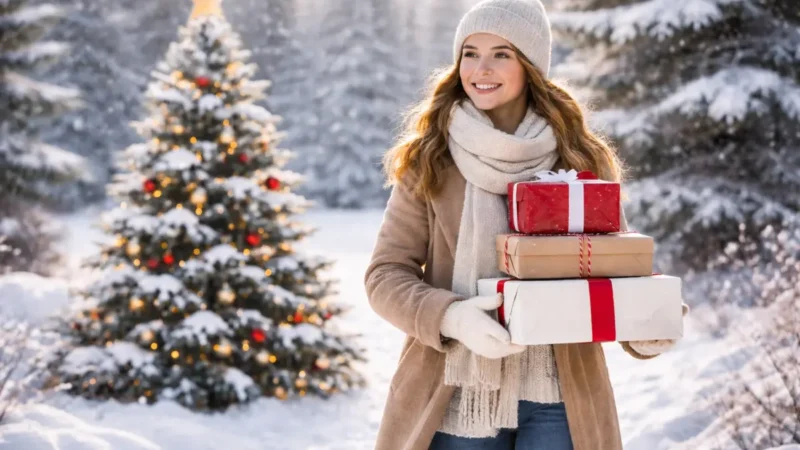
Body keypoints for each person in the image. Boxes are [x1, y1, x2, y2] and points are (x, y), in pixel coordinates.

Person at [364, 1, 686, 449]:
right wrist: (452, 317)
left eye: (501, 54)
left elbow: (613, 265)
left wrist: (646, 321)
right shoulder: (430, 159)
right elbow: (384, 275)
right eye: (470, 53)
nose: (481, 68)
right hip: (457, 393)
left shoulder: (578, 157)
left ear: (530, 64)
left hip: (561, 395)